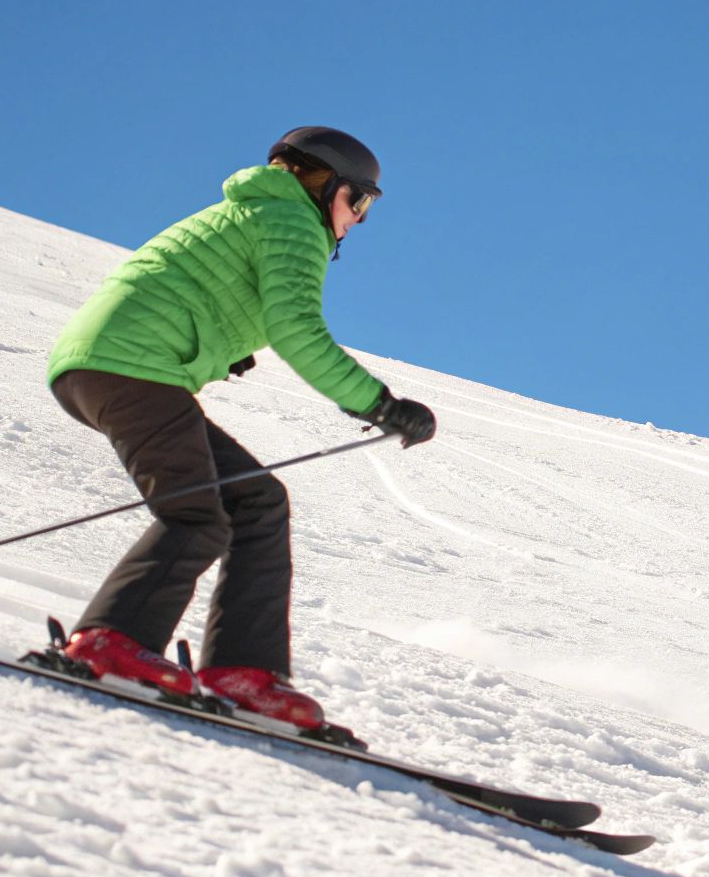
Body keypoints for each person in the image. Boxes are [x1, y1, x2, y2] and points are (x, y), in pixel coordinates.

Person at [43, 126, 437, 730]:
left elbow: (197, 282)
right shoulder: (293, 224)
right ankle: (109, 641)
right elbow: (297, 327)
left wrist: (221, 340)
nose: (360, 219)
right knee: (196, 516)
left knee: (256, 499)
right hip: (129, 367)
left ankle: (242, 671)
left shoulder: (258, 211)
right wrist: (378, 404)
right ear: (324, 184)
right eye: (359, 200)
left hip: (114, 365)